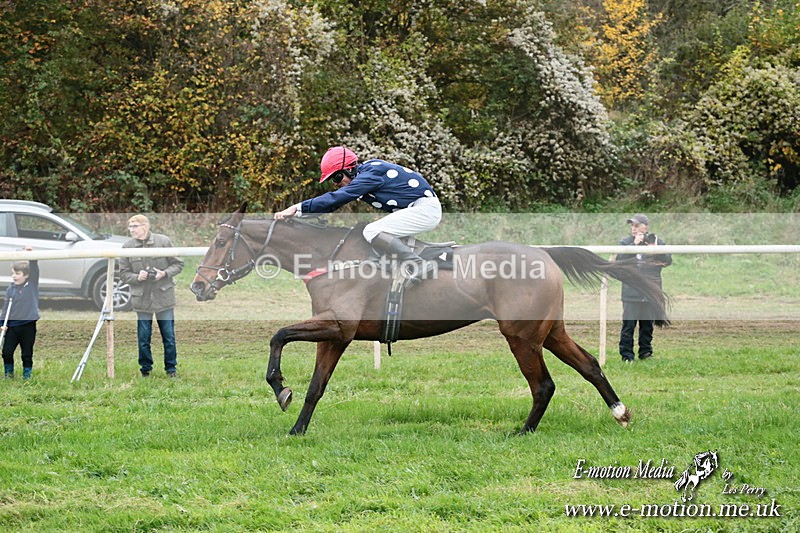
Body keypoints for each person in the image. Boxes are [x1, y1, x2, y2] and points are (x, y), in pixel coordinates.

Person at [274, 146, 442, 282]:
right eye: (335, 180)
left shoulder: (371, 173)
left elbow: (337, 198)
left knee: (371, 231)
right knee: (376, 232)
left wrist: (297, 208)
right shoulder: (366, 174)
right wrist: (299, 214)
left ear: (349, 169)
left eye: (338, 177)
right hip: (416, 209)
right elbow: (334, 204)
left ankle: (418, 264)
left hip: (424, 209)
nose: (338, 183)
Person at [119, 215, 184, 377]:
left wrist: (164, 273)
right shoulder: (127, 247)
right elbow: (123, 274)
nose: (131, 229)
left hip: (163, 297)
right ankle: (145, 370)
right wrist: (137, 277)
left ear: (145, 226)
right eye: (130, 227)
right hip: (141, 299)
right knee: (143, 338)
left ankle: (171, 370)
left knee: (168, 337)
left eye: (135, 226)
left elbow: (178, 264)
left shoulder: (163, 241)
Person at [616, 214, 672, 362]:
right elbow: (619, 262)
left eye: (636, 226)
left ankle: (646, 353)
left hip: (650, 291)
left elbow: (667, 261)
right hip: (631, 292)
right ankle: (627, 356)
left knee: (647, 326)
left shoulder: (657, 242)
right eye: (632, 226)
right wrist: (634, 246)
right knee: (628, 325)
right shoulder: (625, 243)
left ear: (645, 227)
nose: (633, 229)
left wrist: (655, 249)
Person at [1, 246, 39, 379]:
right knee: (6, 352)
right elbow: (5, 308)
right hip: (12, 326)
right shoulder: (10, 289)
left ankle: (27, 376)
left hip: (28, 325)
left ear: (26, 275)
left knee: (26, 353)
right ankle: (8, 374)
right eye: (13, 273)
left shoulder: (31, 285)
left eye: (17, 274)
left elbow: (34, 269)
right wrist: (2, 323)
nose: (14, 276)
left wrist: (31, 256)